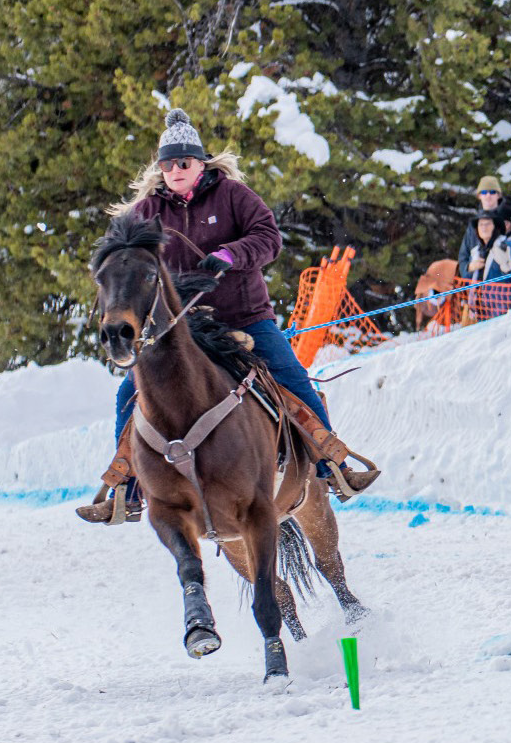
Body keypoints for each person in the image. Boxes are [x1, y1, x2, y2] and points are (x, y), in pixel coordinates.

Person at [78, 110, 378, 524]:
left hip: (244, 316)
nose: (175, 170)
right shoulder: (145, 213)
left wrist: (230, 254)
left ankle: (332, 464)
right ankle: (126, 490)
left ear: (201, 163)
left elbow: (269, 239)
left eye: (183, 162)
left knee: (291, 376)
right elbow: (122, 258)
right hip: (179, 329)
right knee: (127, 394)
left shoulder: (234, 197)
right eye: (167, 164)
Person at [463, 210, 511, 318]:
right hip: (478, 314)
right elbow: (465, 283)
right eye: (480, 224)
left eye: (487, 224)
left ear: (496, 227)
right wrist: (469, 268)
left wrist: (509, 267)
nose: (483, 227)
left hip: (504, 313)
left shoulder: (509, 247)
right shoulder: (476, 252)